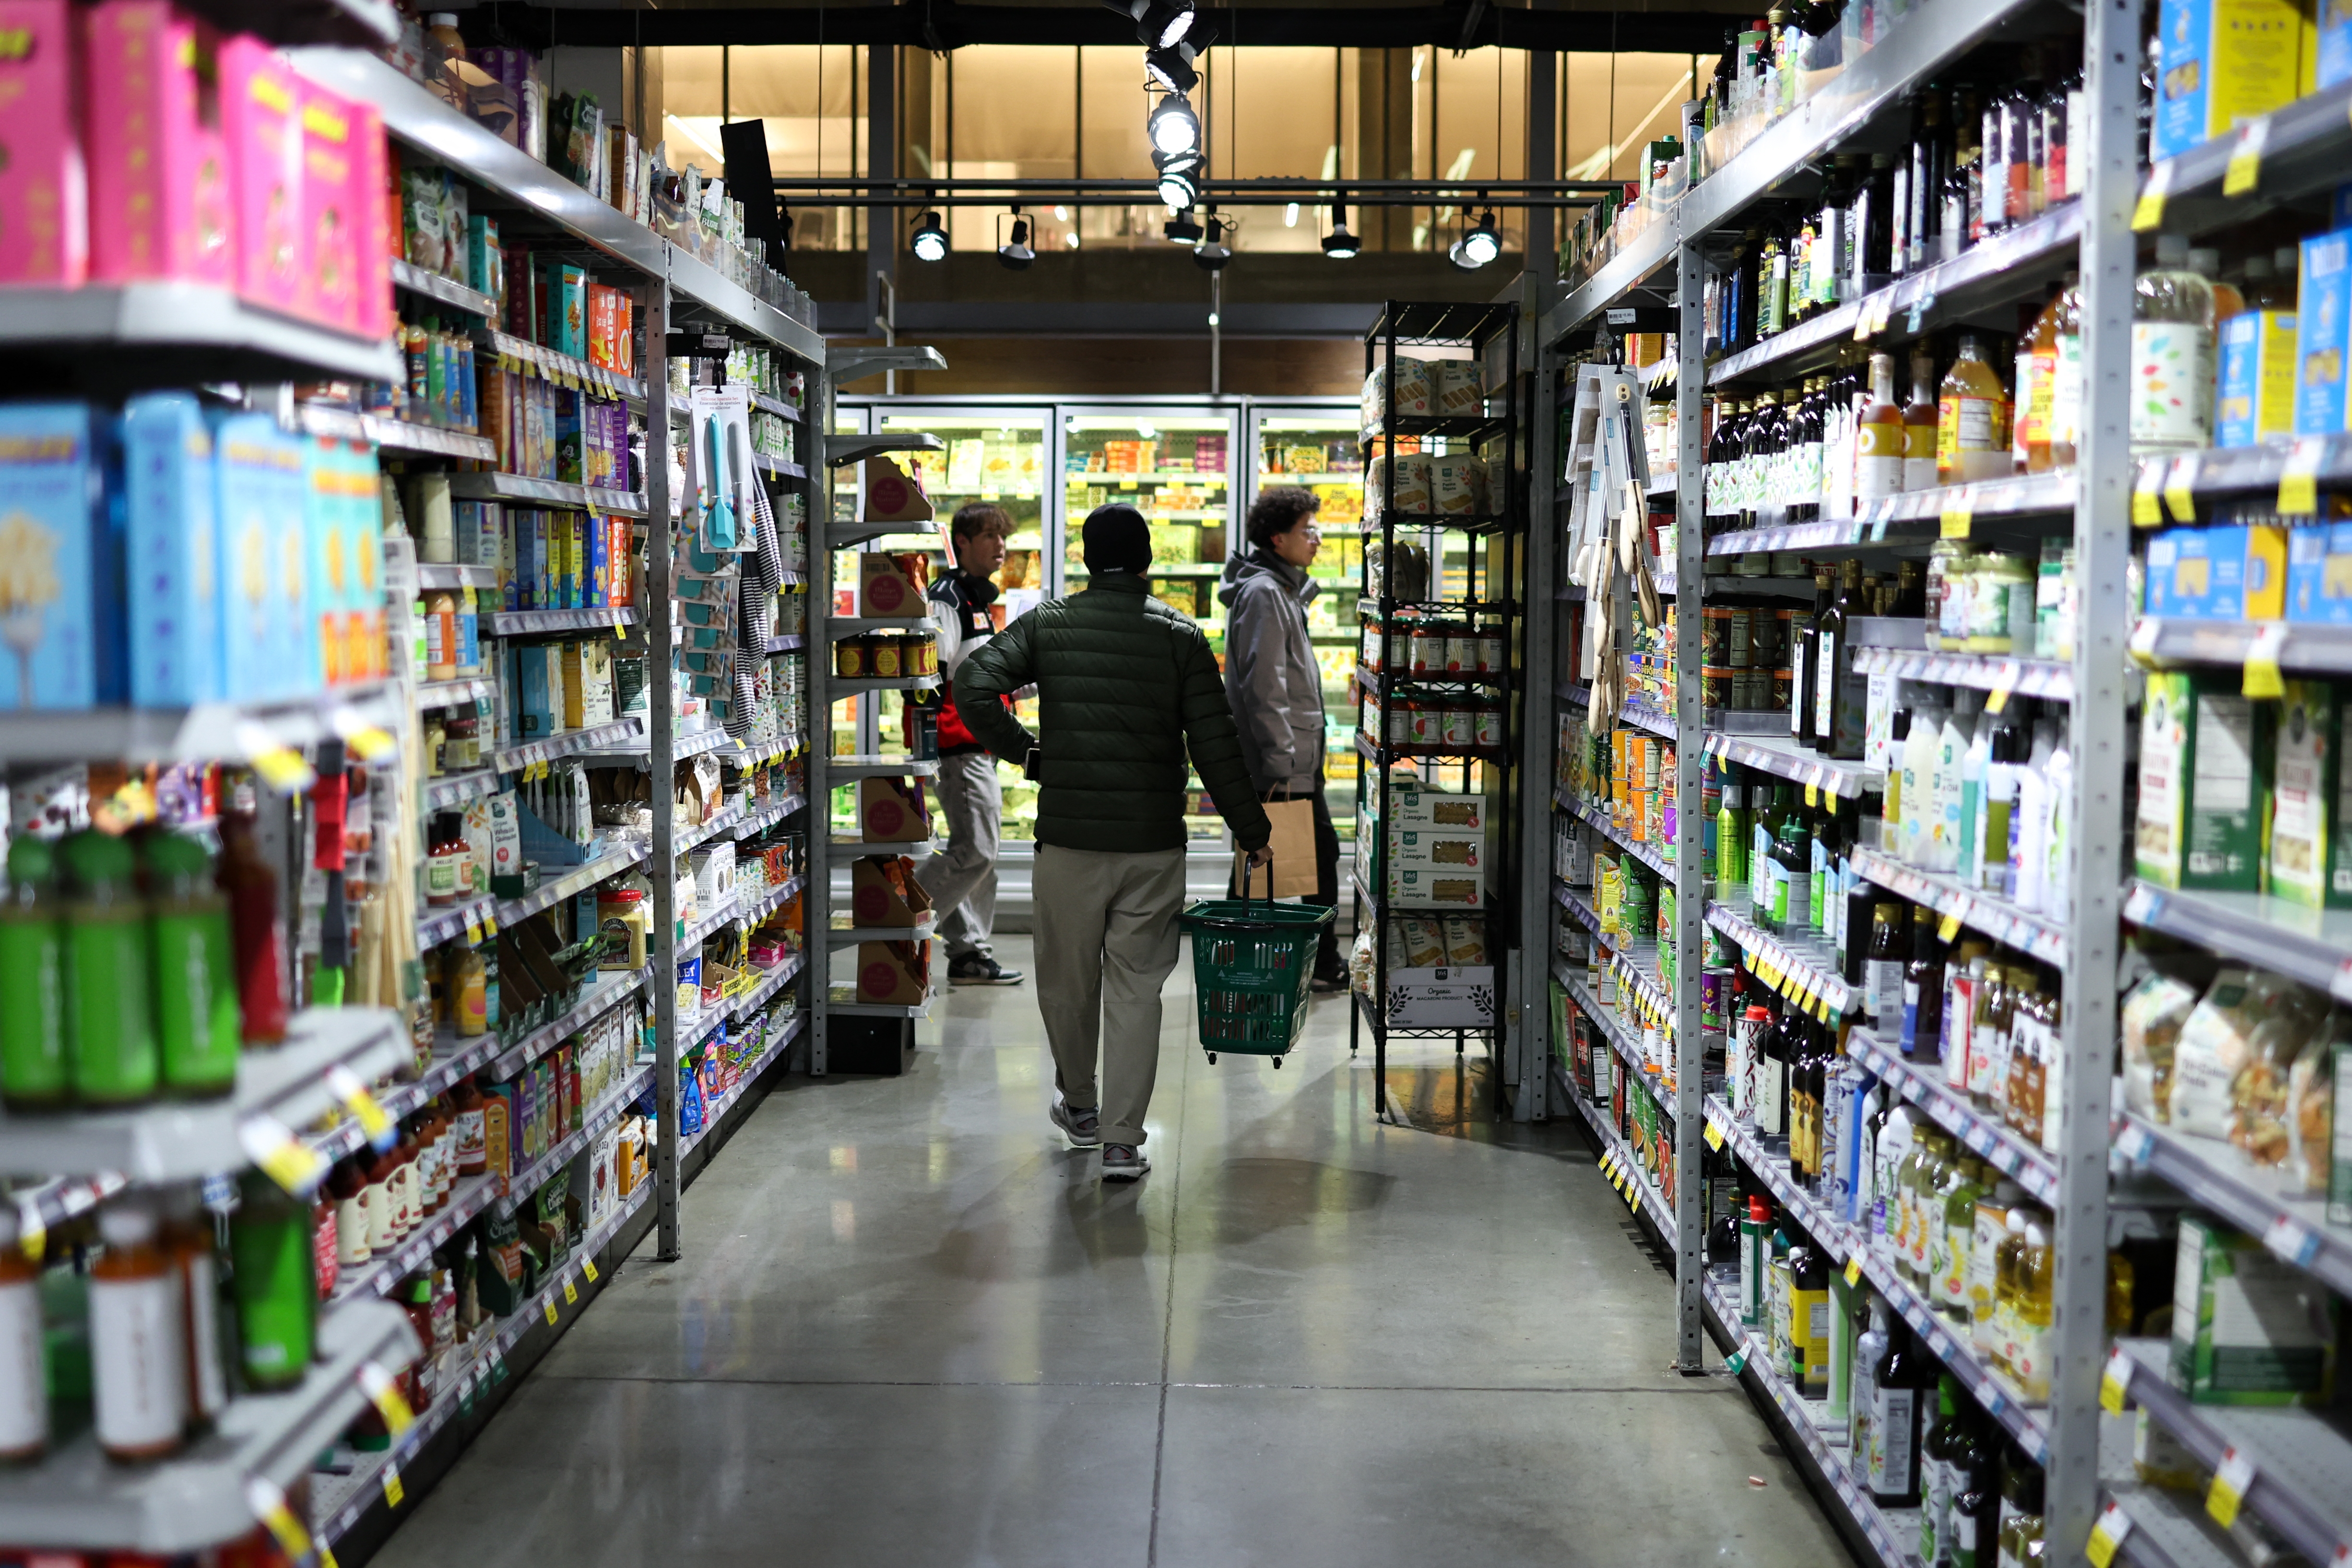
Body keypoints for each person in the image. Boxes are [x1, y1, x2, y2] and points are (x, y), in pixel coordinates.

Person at [955, 504, 1272, 1182]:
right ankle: (1124, 1141)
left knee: (1068, 984)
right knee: (1137, 989)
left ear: (1087, 560)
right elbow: (1215, 746)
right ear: (1149, 559)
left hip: (1067, 842)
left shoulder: (1049, 622)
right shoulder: (1179, 635)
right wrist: (1251, 831)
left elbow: (973, 685)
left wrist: (1028, 755)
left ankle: (1081, 1106)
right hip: (1153, 846)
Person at [1218, 485, 1346, 992]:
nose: (1316, 539)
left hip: (1291, 756)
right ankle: (1318, 959)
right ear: (1278, 537)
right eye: (1306, 530)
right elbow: (1263, 684)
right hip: (1282, 760)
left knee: (1265, 860)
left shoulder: (1280, 589)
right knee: (1307, 857)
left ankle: (1235, 954)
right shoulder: (1266, 594)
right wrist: (1281, 758)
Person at [915, 502, 1023, 986]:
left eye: (1003, 537)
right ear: (961, 542)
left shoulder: (975, 599)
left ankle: (969, 953)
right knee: (976, 851)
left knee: (980, 853)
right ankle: (902, 917)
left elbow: (975, 671)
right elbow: (930, 678)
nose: (1000, 546)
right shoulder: (948, 599)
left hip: (978, 745)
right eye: (989, 537)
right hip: (958, 747)